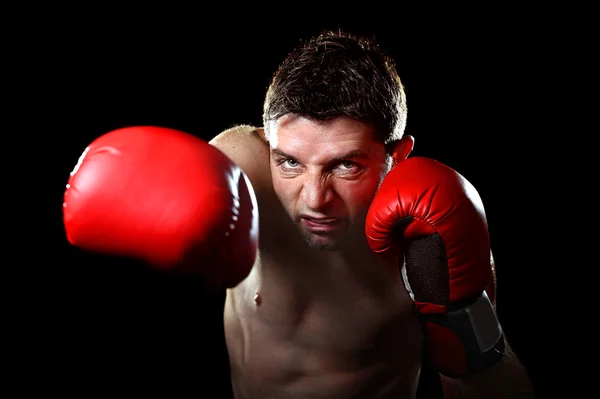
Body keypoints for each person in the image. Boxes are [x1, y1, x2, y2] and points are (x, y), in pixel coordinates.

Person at [63, 30, 535, 398]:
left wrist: (463, 322)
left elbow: (481, 388)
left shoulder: (428, 233)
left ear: (400, 156)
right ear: (267, 145)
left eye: (345, 165)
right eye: (290, 161)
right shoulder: (244, 168)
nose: (313, 198)